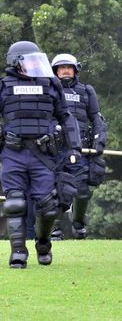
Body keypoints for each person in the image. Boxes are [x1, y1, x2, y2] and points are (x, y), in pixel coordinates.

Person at [1, 41, 81, 268]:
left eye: (38, 59)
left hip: (44, 154)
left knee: (48, 206)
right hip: (13, 152)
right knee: (15, 203)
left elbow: (66, 118)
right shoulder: (4, 86)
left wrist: (74, 147)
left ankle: (43, 242)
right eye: (31, 60)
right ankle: (18, 252)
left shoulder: (51, 86)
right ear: (16, 62)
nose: (36, 64)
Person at [49, 53, 107, 240]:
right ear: (55, 71)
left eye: (69, 67)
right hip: (54, 150)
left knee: (81, 192)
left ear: (75, 70)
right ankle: (55, 228)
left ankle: (79, 224)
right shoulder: (48, 89)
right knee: (54, 190)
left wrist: (100, 140)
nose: (66, 70)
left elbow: (97, 118)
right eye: (62, 67)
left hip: (81, 150)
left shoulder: (86, 91)